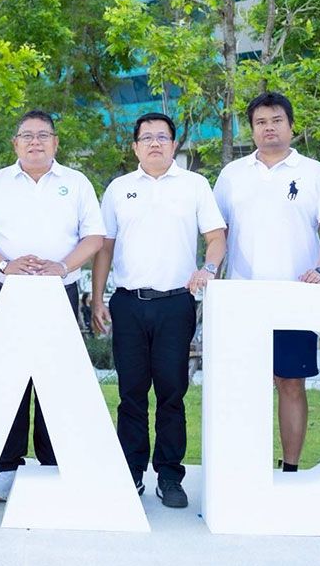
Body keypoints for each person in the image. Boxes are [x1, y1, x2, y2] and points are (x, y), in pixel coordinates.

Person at [0, 109, 105, 502]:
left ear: (56, 142)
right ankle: (6, 466)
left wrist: (63, 266)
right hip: (8, 291)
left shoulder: (76, 183)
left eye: (43, 135)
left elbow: (94, 237)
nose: (35, 142)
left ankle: (53, 464)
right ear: (15, 143)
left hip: (60, 291)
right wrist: (5, 265)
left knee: (56, 377)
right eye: (27, 135)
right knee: (9, 379)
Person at [91, 112, 226, 508]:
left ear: (174, 144)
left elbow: (216, 237)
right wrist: (97, 298)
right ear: (135, 146)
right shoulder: (119, 189)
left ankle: (169, 476)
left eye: (162, 137)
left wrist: (208, 269)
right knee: (131, 393)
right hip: (129, 304)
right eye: (146, 137)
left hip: (175, 304)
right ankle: (131, 473)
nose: (154, 143)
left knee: (172, 393)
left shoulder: (194, 185)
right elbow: (104, 248)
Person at [213, 92, 320, 473]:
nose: (268, 128)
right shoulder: (232, 175)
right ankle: (245, 470)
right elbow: (217, 233)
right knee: (245, 385)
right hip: (243, 299)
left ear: (291, 125)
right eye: (260, 122)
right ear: (251, 129)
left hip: (295, 297)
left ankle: (290, 468)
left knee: (290, 382)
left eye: (276, 121)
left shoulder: (314, 173)